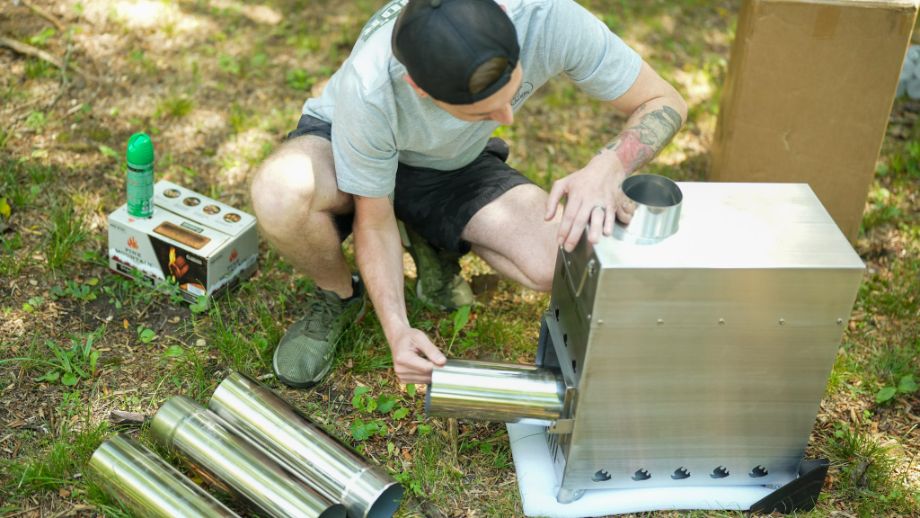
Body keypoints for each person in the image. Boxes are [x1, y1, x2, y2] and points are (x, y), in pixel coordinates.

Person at [251, 0, 687, 387]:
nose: (507, 118)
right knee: (280, 194)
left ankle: (428, 233)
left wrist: (608, 165)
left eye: (512, 92)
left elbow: (665, 100)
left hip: (449, 165)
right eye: (482, 113)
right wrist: (398, 330)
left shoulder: (547, 15)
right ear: (418, 88)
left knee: (559, 261)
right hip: (346, 143)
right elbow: (374, 218)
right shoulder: (370, 87)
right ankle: (338, 293)